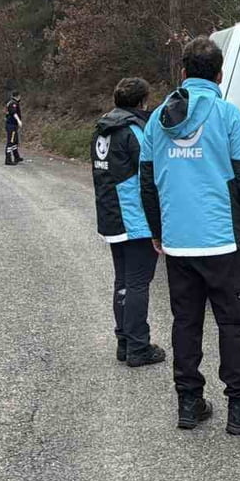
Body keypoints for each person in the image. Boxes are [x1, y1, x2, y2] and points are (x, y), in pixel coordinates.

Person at [139, 37, 240, 434]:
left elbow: (146, 182)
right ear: (219, 75)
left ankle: (189, 404)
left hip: (179, 242)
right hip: (223, 241)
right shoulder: (227, 115)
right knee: (233, 326)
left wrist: (157, 231)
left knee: (186, 323)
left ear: (183, 73)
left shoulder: (157, 120)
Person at [92, 77, 166, 368]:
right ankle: (138, 346)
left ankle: (124, 341)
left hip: (110, 215)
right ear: (141, 102)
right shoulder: (133, 131)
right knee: (138, 283)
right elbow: (150, 173)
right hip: (134, 218)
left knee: (123, 281)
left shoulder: (102, 130)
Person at [4, 91, 23, 165]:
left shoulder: (10, 102)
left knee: (15, 141)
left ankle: (16, 157)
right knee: (11, 142)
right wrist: (19, 121)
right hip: (11, 125)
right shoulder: (13, 103)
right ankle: (8, 160)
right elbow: (14, 113)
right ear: (18, 96)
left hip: (12, 125)